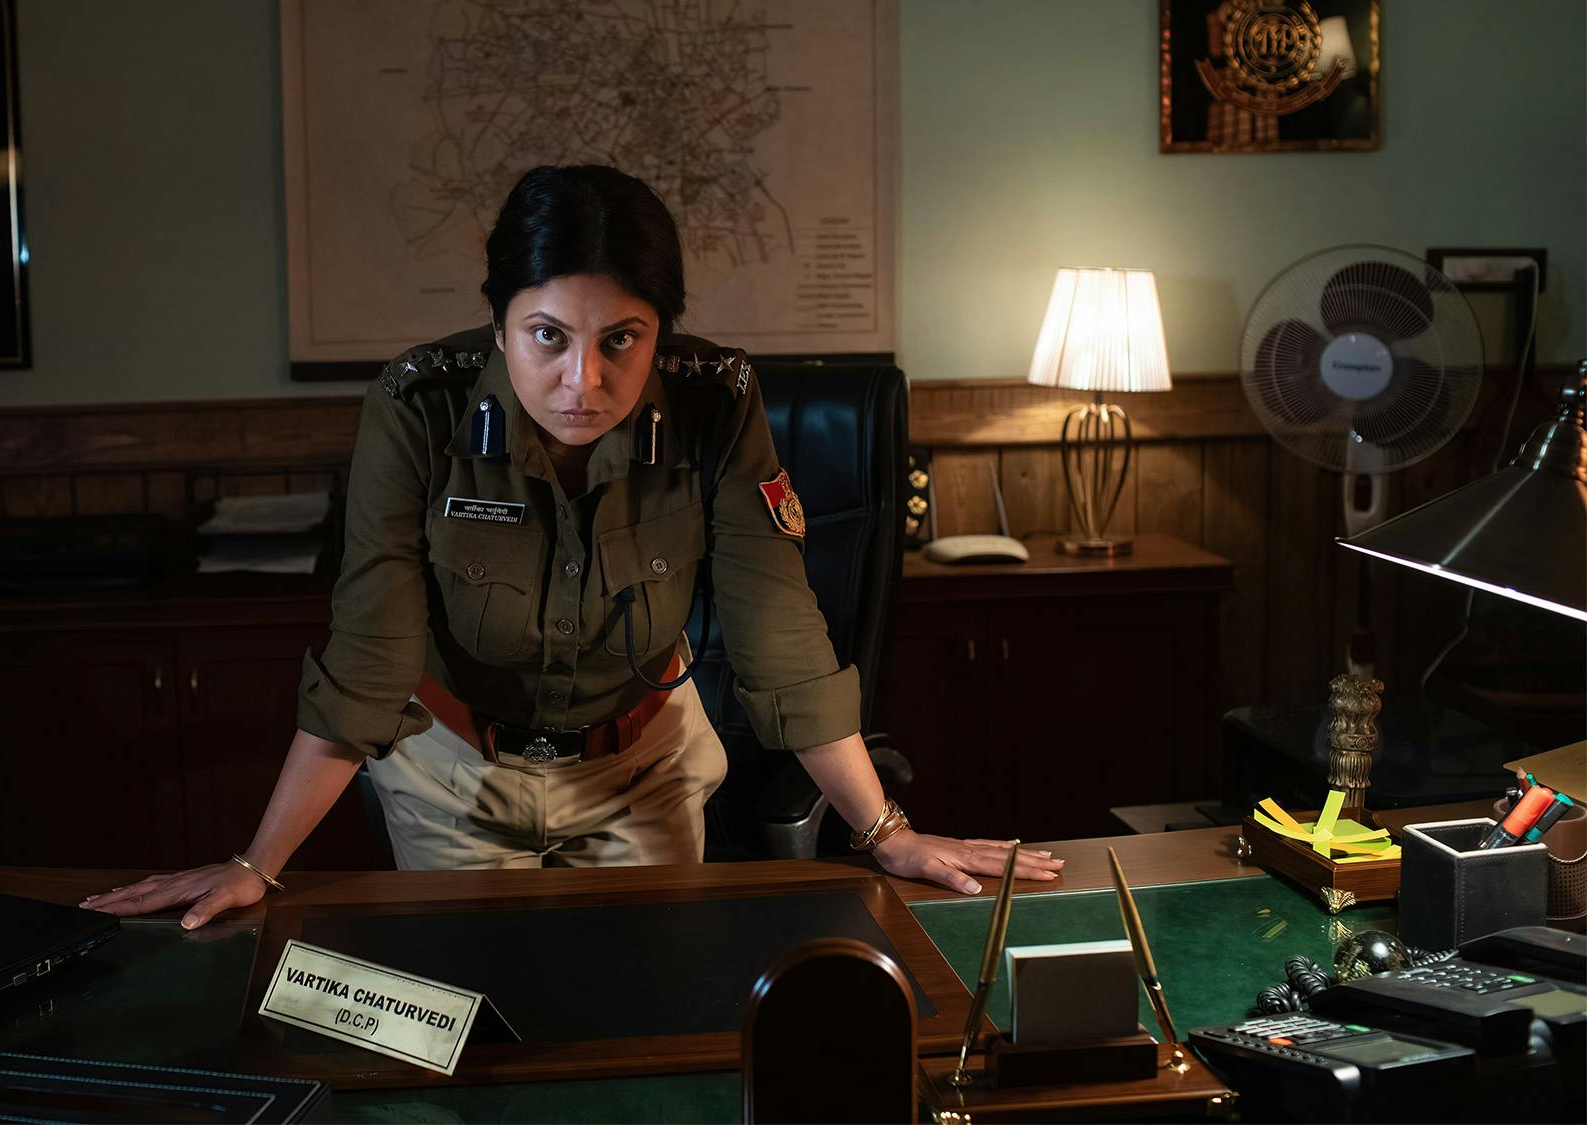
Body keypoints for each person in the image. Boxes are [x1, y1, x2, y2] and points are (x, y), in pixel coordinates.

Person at [83, 165, 1062, 928]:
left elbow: (778, 636)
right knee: (473, 1030)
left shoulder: (715, 402)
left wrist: (883, 832)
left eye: (621, 341)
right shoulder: (417, 406)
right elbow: (369, 657)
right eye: (546, 336)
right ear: (499, 320)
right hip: (453, 768)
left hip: (637, 765)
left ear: (659, 333)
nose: (581, 381)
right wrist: (259, 864)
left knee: (645, 1015)